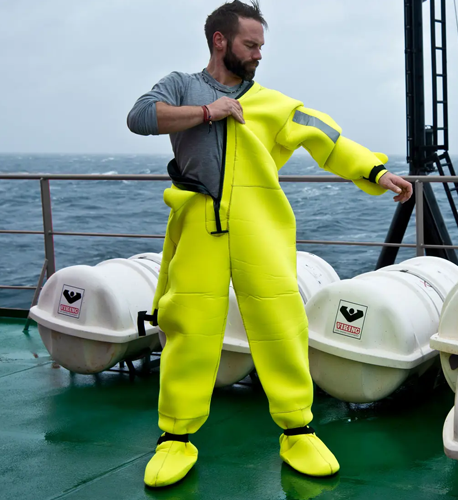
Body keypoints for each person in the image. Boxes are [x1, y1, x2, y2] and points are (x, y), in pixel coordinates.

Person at [127, 0, 413, 489]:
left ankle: (297, 429)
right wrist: (206, 112)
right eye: (250, 44)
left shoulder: (273, 104)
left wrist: (376, 171)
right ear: (220, 41)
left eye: (261, 45)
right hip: (199, 225)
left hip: (261, 229)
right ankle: (175, 436)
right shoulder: (181, 85)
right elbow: (140, 118)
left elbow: (326, 137)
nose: (259, 54)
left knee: (281, 325)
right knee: (189, 328)